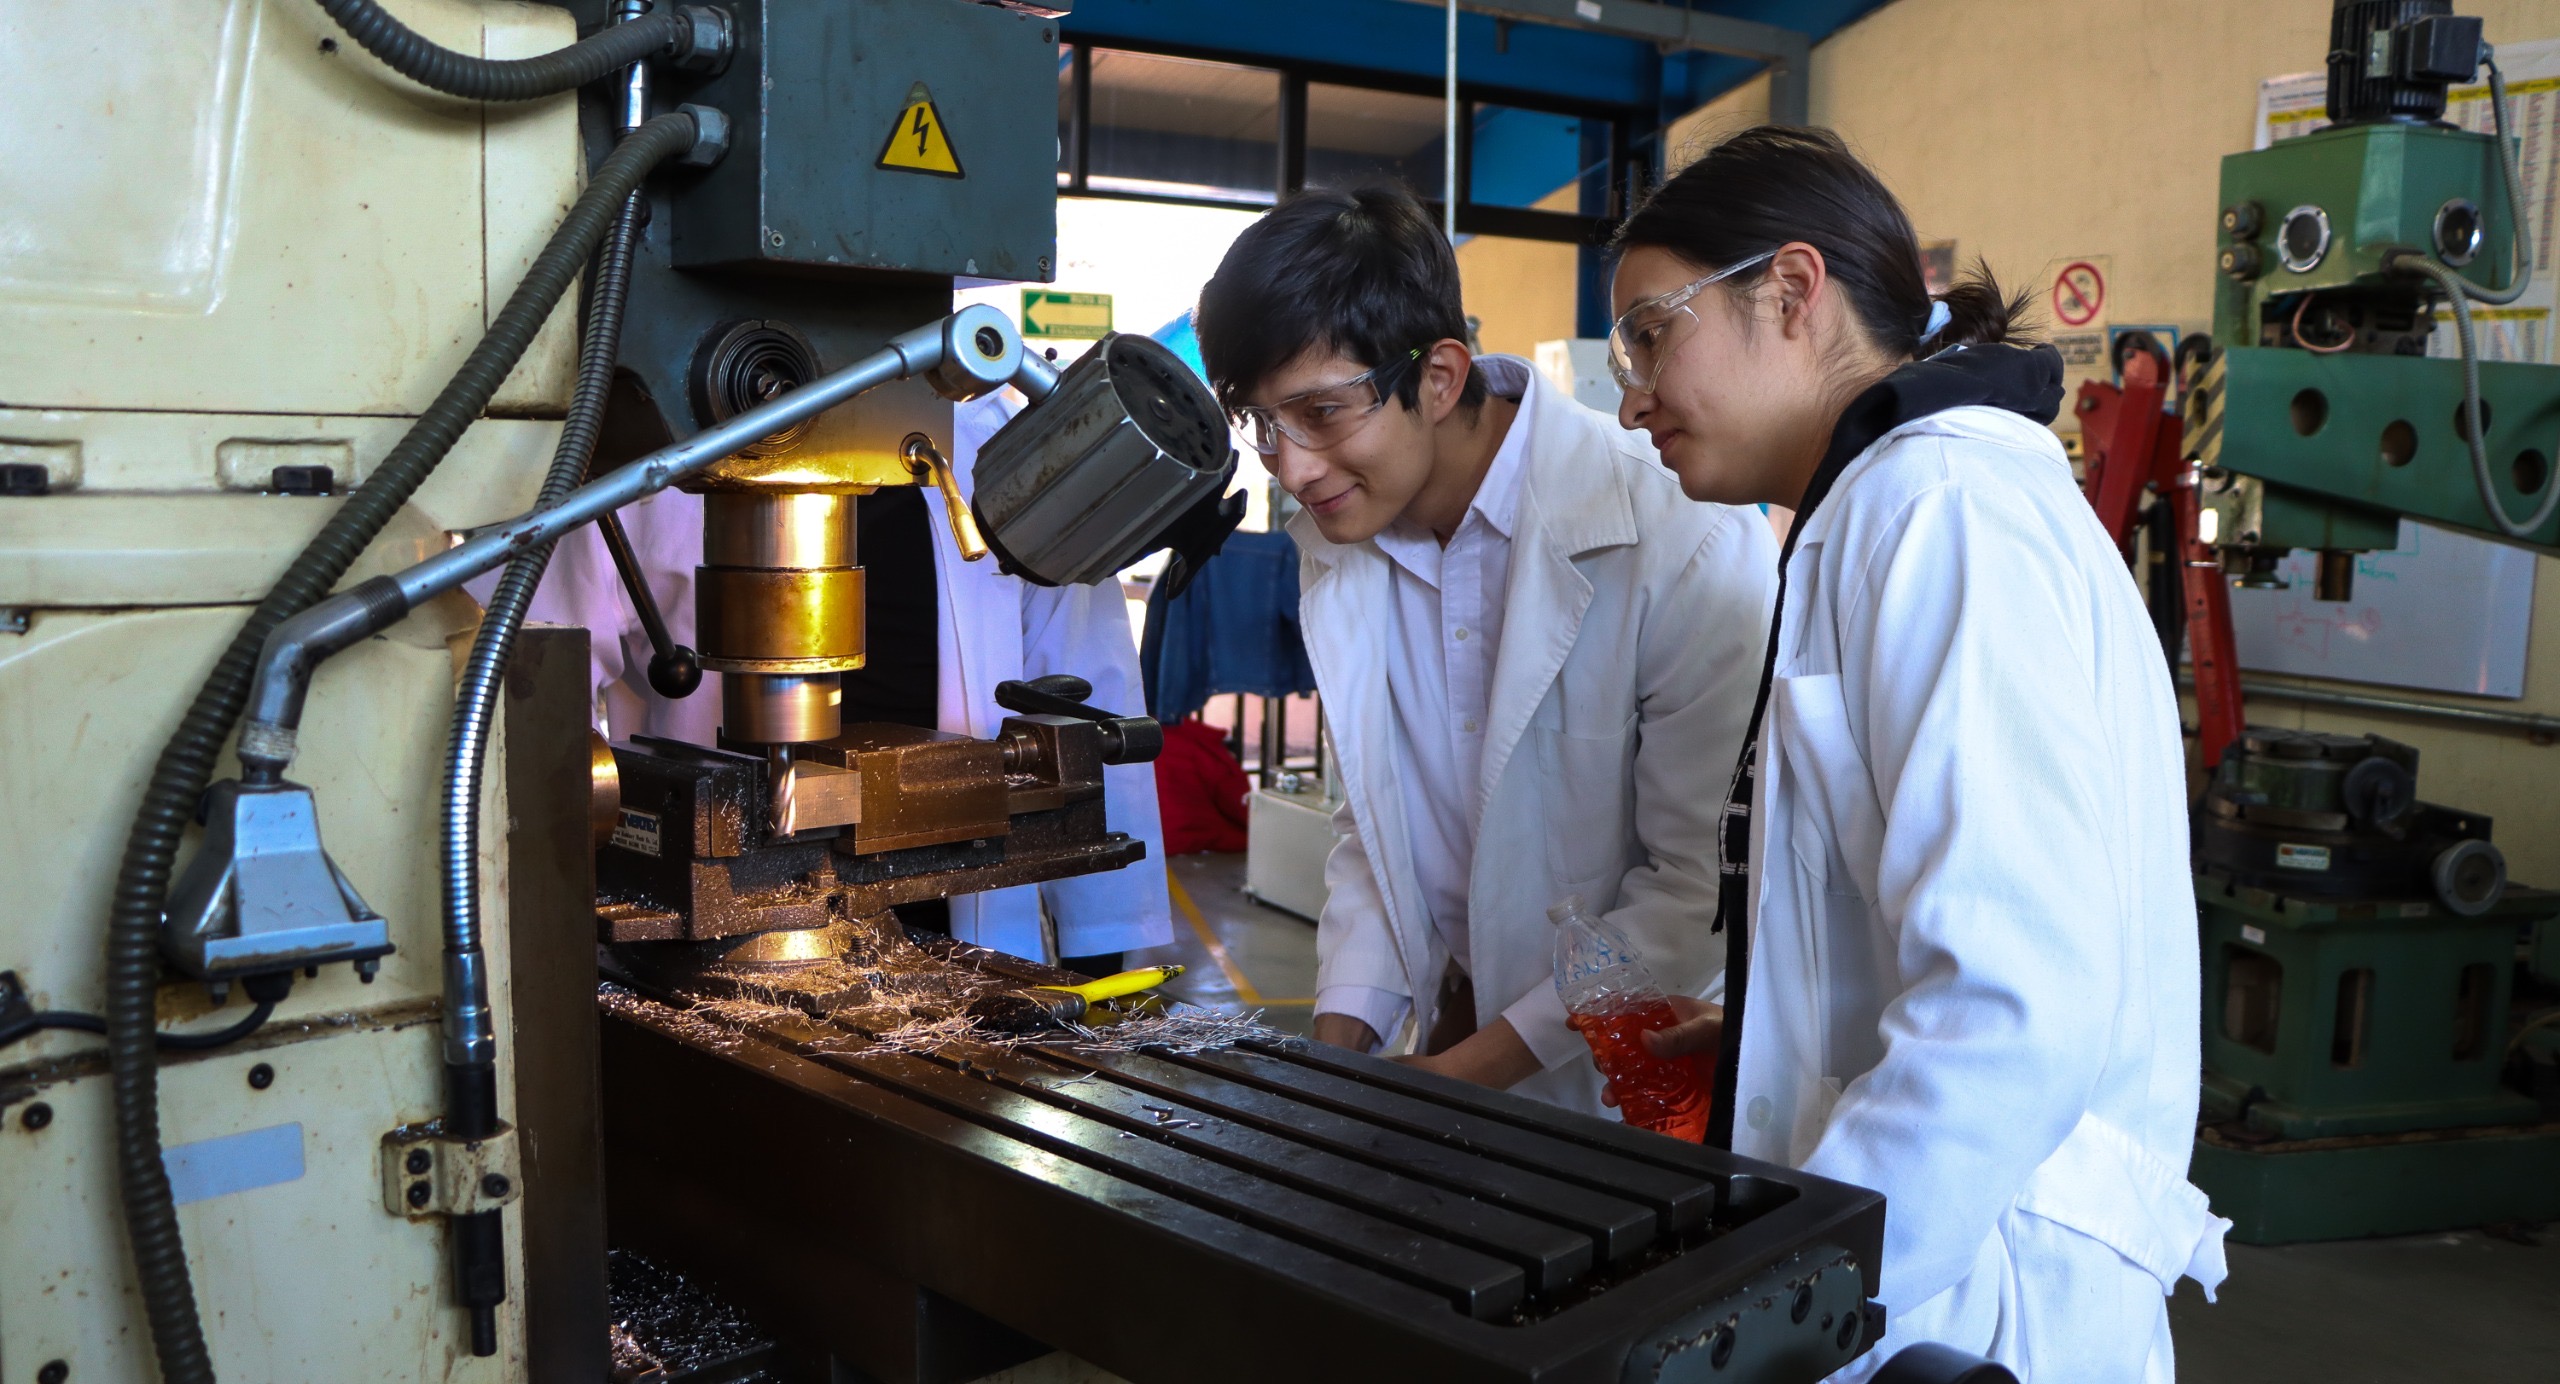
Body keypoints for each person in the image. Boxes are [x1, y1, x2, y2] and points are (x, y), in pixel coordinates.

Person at [1606, 126, 2226, 1380]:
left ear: (1791, 291)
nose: (1630, 395)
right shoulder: (1883, 506)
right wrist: (1754, 1019)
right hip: (1936, 1253)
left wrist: (1768, 1304)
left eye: (1650, 332)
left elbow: (2015, 999)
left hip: (1991, 1285)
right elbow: (1934, 900)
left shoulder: (1943, 510)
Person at [1194, 184, 1776, 1117]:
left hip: (1631, 1081)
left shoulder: (1680, 534)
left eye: (1321, 413)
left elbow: (1690, 893)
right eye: (1264, 426)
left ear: (1439, 377)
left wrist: (1461, 1081)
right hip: (1460, 1043)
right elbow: (1377, 832)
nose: (1293, 468)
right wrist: (1338, 1052)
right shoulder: (1349, 541)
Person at [527, 389, 1172, 973]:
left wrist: (1101, 950)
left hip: (969, 932)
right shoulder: (641, 452)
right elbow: (530, 690)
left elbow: (1092, 689)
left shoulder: (1002, 446)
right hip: (710, 936)